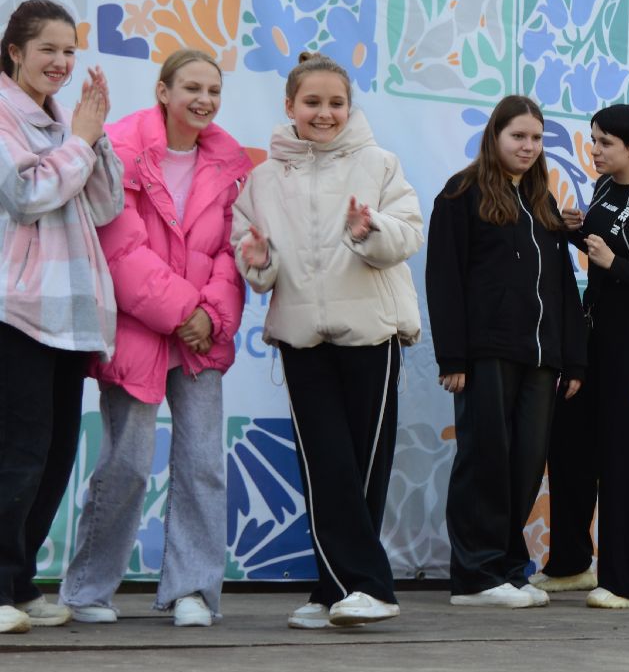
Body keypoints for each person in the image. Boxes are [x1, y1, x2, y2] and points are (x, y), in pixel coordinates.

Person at [59, 49, 251, 628]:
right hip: (139, 330)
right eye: (191, 87)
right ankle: (88, 590)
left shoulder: (230, 162)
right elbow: (119, 247)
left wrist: (211, 318)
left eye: (213, 90)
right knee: (128, 462)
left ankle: (191, 590)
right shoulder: (118, 149)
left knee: (201, 464)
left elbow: (231, 252)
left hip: (200, 338)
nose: (204, 100)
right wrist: (184, 313)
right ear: (163, 91)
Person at [233, 52, 423, 630]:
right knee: (323, 465)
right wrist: (258, 261)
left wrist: (372, 230)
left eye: (335, 103)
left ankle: (365, 587)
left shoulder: (380, 163)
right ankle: (335, 588)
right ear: (289, 106)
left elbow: (409, 232)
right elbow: (252, 251)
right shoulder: (263, 178)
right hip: (300, 336)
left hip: (371, 331)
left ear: (350, 106)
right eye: (312, 103)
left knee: (361, 467)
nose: (324, 113)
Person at [426, 95, 586, 610]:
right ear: (495, 136)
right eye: (519, 136)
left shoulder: (542, 202)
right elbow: (443, 280)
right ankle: (474, 577)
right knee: (484, 459)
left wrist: (572, 359)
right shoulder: (462, 192)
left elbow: (563, 287)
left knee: (524, 466)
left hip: (540, 359)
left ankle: (507, 568)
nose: (528, 146)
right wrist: (452, 358)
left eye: (537, 138)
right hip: (485, 353)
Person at [0, 0, 122, 636]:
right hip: (18, 309)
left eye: (69, 51)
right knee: (17, 451)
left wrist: (92, 139)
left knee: (52, 455)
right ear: (14, 51)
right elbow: (26, 196)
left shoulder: (62, 121)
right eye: (47, 48)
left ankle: (18, 585)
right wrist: (79, 140)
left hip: (72, 312)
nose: (61, 62)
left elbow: (104, 205)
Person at [535, 104, 629, 609]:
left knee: (623, 455)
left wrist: (614, 263)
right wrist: (574, 229)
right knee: (570, 445)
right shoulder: (601, 189)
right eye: (593, 140)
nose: (594, 150)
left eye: (604, 143)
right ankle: (570, 564)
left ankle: (623, 582)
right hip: (589, 335)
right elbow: (599, 247)